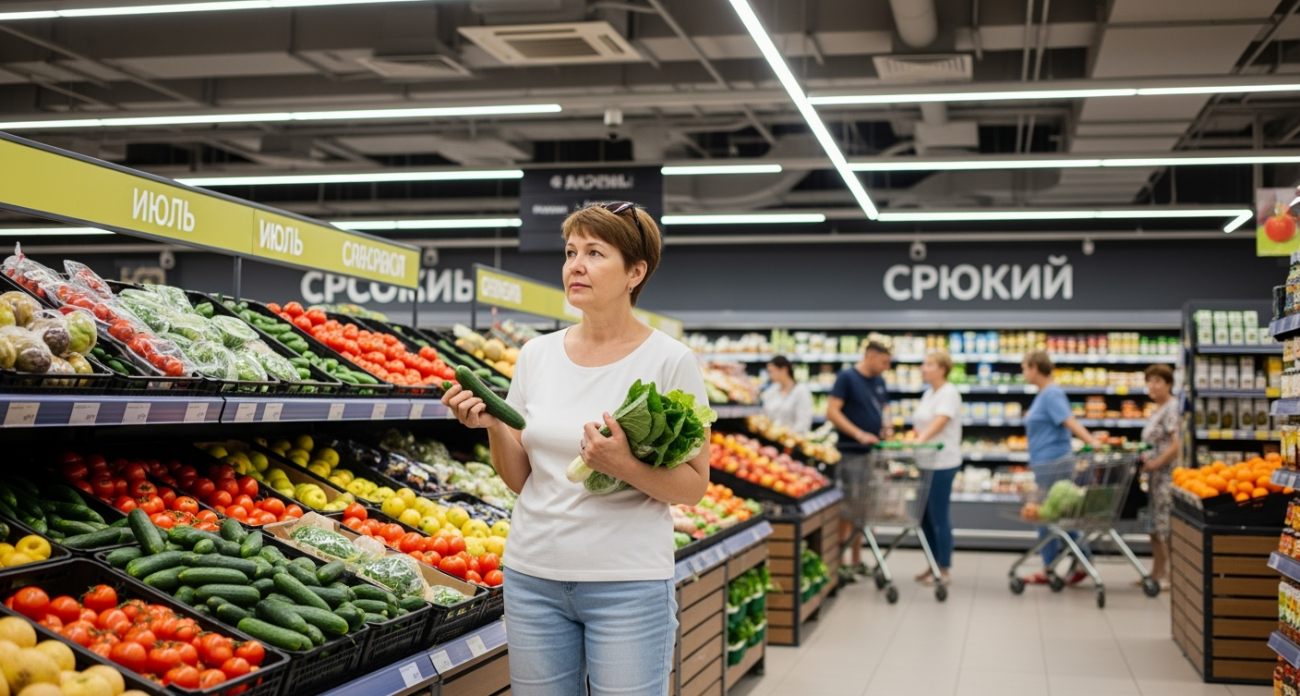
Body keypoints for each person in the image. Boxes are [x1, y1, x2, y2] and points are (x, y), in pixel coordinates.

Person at [441, 201, 710, 696]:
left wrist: (624, 465)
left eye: (594, 252)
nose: (575, 266)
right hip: (533, 576)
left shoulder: (671, 361)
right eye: (569, 252)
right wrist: (491, 426)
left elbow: (694, 487)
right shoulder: (536, 355)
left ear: (635, 271)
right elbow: (524, 479)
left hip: (627, 585)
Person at [1020, 349, 1101, 585]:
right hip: (1046, 462)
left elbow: (1069, 421)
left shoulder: (1051, 393)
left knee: (1049, 516)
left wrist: (1092, 441)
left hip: (1054, 463)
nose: (1024, 373)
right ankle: (1069, 562)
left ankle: (1060, 564)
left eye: (1025, 368)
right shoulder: (1044, 393)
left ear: (1035, 367)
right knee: (1053, 515)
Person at [826, 338, 892, 576]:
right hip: (851, 453)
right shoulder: (847, 377)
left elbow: (885, 408)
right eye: (884, 361)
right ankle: (841, 561)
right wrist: (859, 434)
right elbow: (832, 411)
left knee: (865, 509)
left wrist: (886, 426)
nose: (887, 366)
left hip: (873, 455)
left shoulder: (880, 380)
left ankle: (857, 560)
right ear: (870, 356)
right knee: (848, 508)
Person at [909, 349, 962, 586]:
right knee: (924, 518)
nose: (923, 367)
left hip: (942, 462)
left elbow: (941, 421)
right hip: (925, 461)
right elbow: (922, 424)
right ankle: (933, 563)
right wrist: (913, 437)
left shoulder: (949, 392)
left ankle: (945, 568)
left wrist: (921, 439)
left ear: (942, 368)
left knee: (938, 515)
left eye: (929, 364)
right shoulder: (929, 393)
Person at [1140, 363, 1179, 591]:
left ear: (1169, 384)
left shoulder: (1172, 407)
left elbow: (1176, 444)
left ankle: (1171, 577)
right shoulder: (1158, 408)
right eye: (1149, 380)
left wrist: (1155, 462)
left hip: (1166, 476)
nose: (1152, 386)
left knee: (1164, 527)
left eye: (1157, 381)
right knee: (1154, 526)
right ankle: (1155, 573)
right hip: (1154, 478)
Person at [762, 355, 814, 434]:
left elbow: (803, 422)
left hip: (792, 440)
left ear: (784, 370)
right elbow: (765, 415)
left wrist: (787, 436)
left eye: (771, 371)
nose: (769, 375)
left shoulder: (801, 391)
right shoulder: (771, 390)